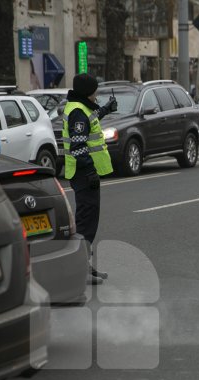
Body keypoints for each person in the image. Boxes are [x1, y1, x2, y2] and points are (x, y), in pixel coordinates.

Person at [62, 73, 117, 285]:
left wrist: (106, 110)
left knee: (88, 221)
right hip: (84, 175)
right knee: (86, 224)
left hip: (84, 175)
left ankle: (85, 265)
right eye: (95, 91)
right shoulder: (77, 112)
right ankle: (79, 269)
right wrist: (90, 171)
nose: (97, 95)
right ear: (87, 92)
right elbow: (78, 147)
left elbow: (90, 122)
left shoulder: (81, 107)